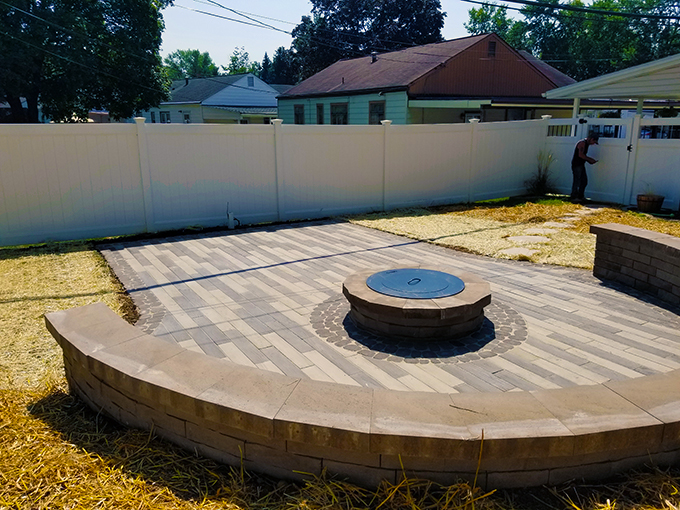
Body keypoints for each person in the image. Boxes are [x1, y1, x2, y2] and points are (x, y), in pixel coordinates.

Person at [571, 133, 599, 202]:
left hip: (581, 164)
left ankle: (580, 196)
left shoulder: (586, 144)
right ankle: (574, 197)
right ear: (591, 139)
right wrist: (590, 160)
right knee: (577, 181)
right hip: (577, 165)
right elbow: (580, 155)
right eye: (594, 142)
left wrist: (589, 161)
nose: (593, 144)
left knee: (584, 181)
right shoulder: (582, 143)